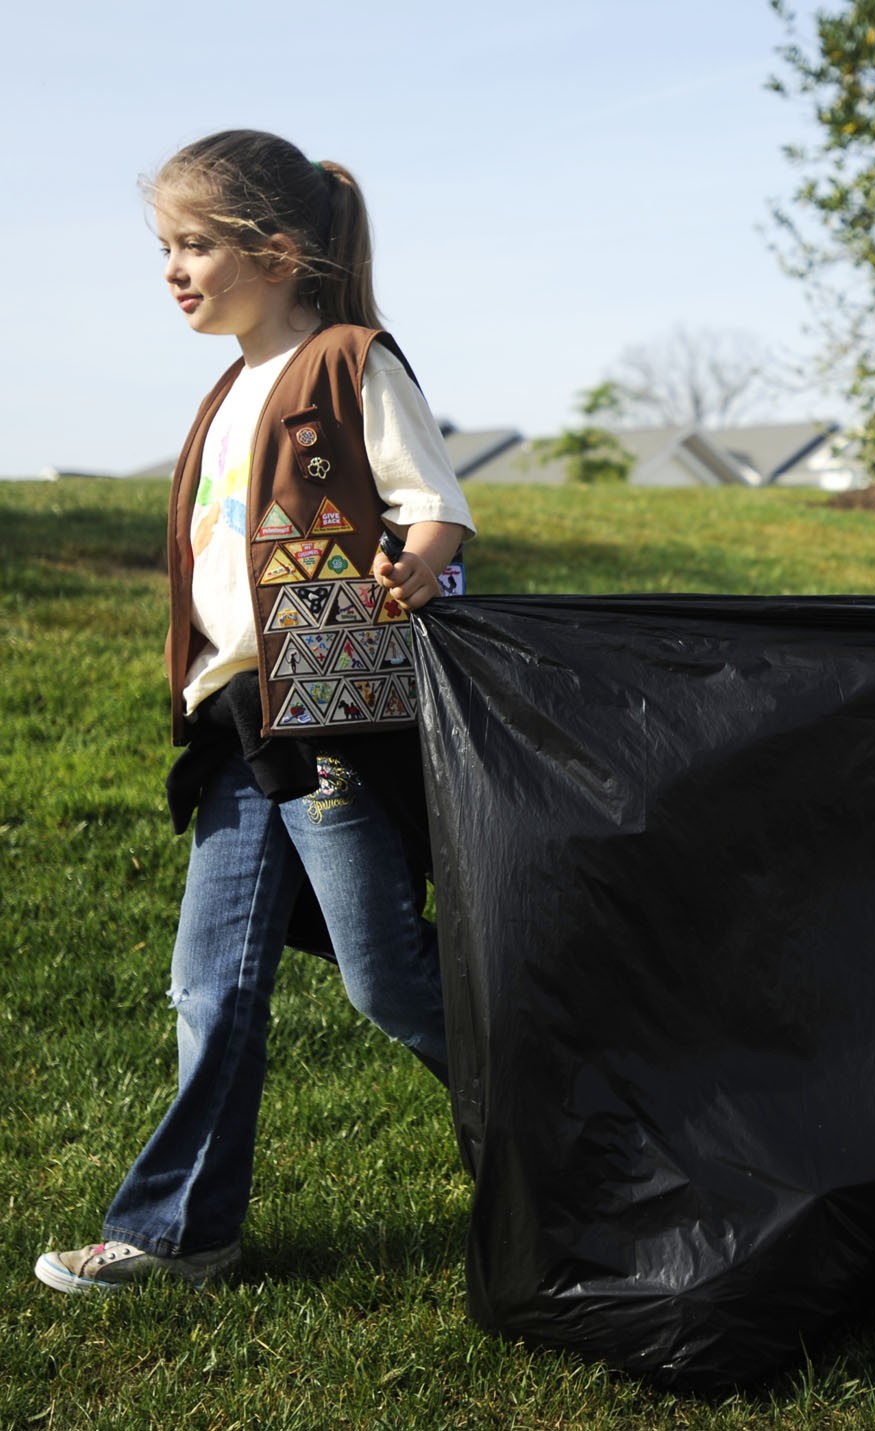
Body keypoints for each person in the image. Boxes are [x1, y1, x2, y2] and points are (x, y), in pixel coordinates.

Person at [35, 130, 475, 1294]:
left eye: (194, 245)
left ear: (276, 251)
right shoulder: (224, 391)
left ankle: (585, 1133)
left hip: (327, 721)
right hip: (237, 732)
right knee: (211, 982)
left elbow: (436, 505)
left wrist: (418, 563)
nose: (173, 269)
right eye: (165, 247)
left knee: (387, 979)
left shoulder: (350, 363)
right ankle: (181, 1232)